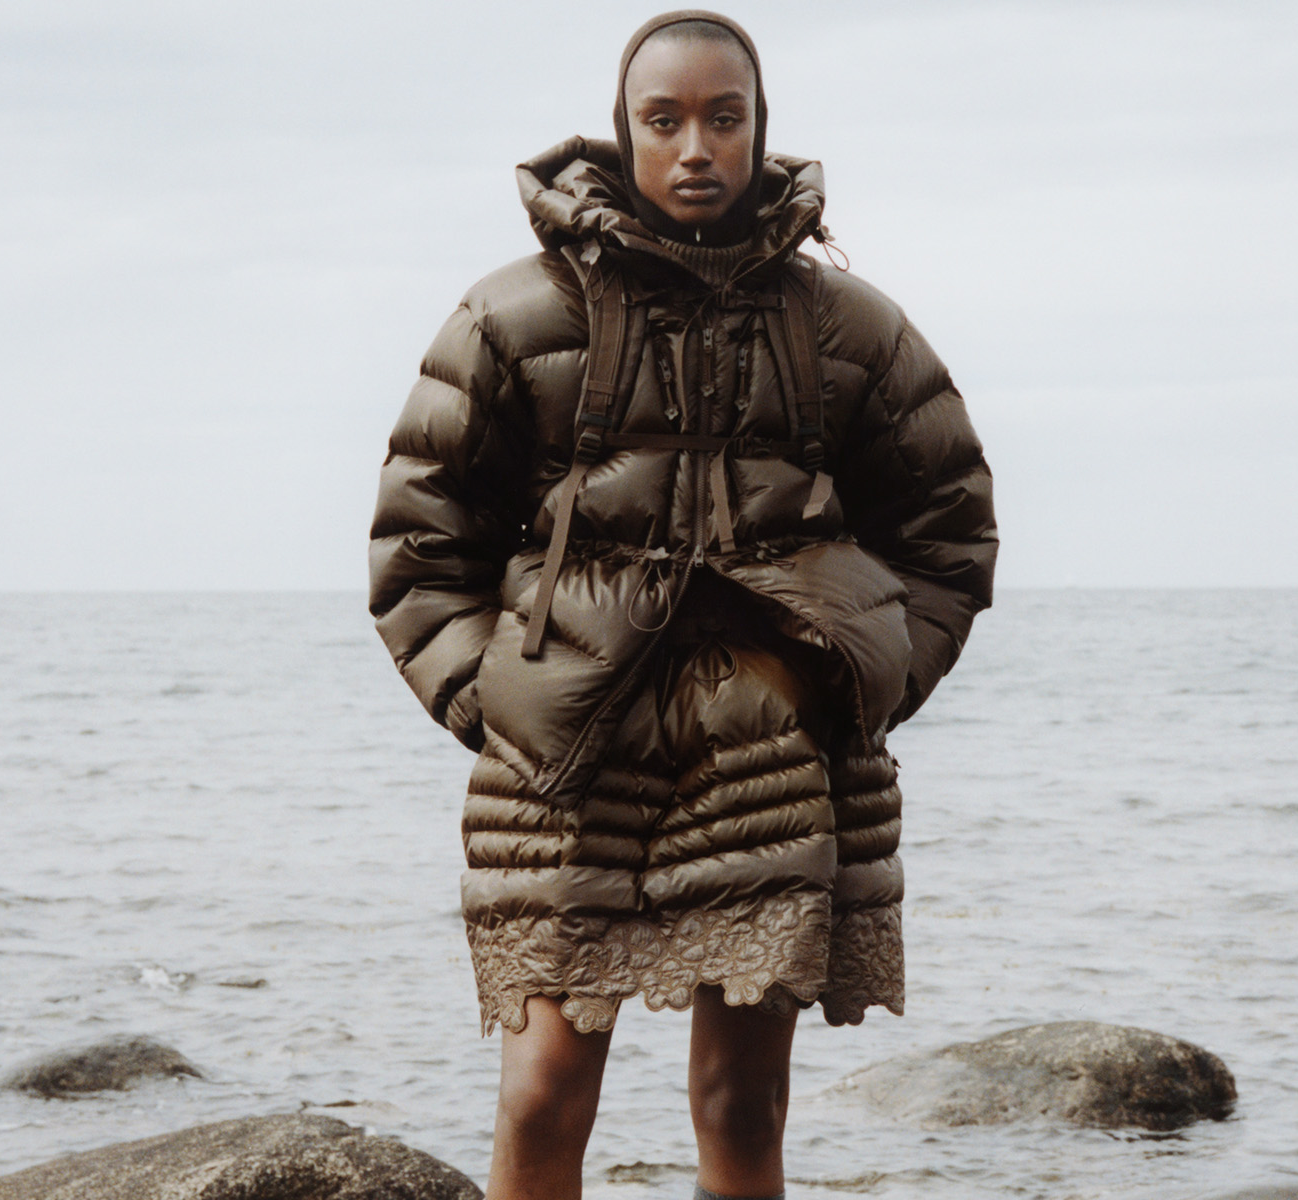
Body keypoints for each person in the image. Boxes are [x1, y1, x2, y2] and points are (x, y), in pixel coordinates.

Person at [369, 11, 997, 1199]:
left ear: (761, 131)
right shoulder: (512, 316)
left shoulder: (845, 326)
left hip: (769, 752)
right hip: (567, 757)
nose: (696, 147)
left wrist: (861, 679)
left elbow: (948, 524)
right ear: (624, 132)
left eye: (725, 117)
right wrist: (494, 701)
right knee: (546, 1089)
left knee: (742, 1103)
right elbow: (421, 537)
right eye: (666, 121)